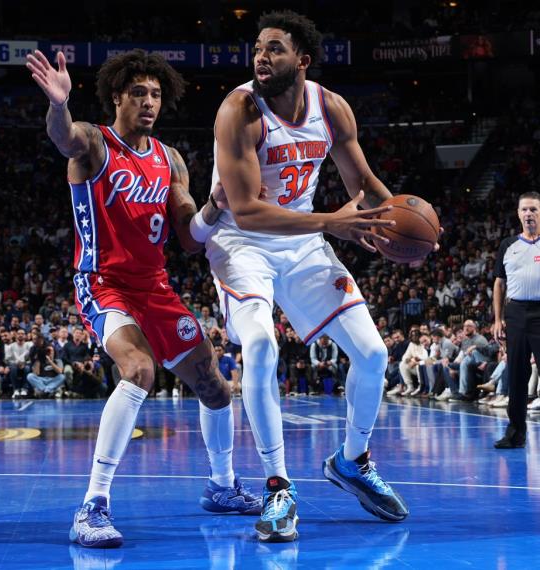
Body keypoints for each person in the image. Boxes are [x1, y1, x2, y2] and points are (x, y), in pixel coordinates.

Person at [26, 47, 260, 548]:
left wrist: (217, 207)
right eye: (138, 93)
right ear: (118, 97)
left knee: (216, 387)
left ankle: (221, 486)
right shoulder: (94, 141)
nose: (149, 103)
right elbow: (62, 136)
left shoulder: (170, 160)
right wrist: (58, 104)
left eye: (155, 94)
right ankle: (92, 506)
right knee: (138, 370)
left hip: (155, 287)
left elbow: (189, 236)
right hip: (103, 283)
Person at [206, 10, 414, 542]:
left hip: (302, 244)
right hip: (242, 243)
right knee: (260, 346)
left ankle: (352, 460)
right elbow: (248, 210)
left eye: (274, 48)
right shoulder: (239, 110)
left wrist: (404, 227)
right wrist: (331, 223)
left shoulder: (332, 108)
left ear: (303, 59)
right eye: (257, 47)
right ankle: (278, 485)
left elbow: (363, 182)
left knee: (372, 353)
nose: (260, 57)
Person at [492, 191, 540, 448]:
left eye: (533, 209)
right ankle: (515, 434)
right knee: (517, 375)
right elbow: (499, 284)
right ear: (518, 213)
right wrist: (498, 319)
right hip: (517, 313)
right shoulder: (507, 245)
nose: (529, 214)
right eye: (525, 210)